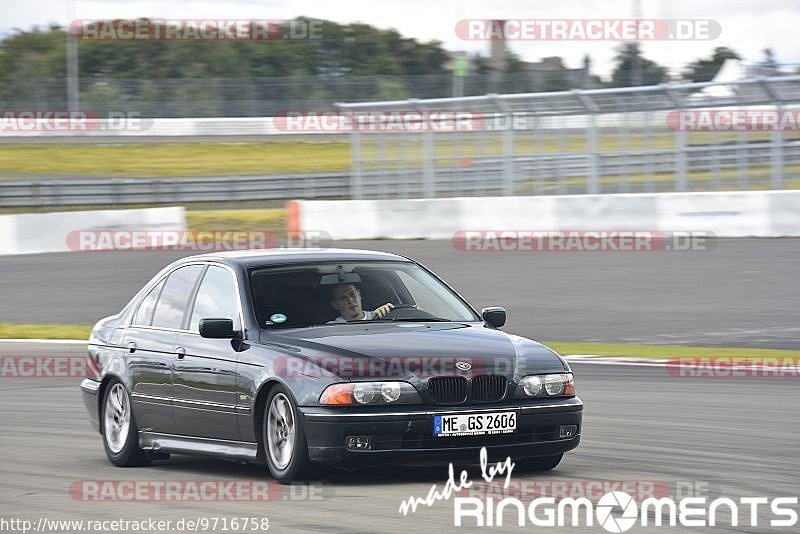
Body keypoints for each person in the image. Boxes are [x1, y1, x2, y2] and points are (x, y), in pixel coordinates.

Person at [329, 283, 394, 323]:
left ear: (359, 294)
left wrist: (390, 311)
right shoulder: (330, 329)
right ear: (335, 305)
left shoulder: (380, 316)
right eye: (343, 298)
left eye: (352, 294)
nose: (350, 300)